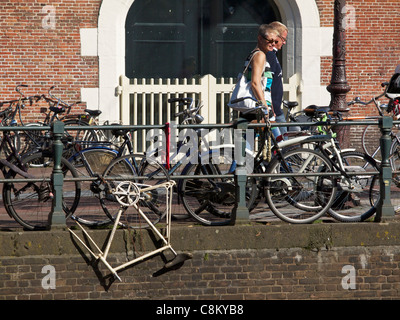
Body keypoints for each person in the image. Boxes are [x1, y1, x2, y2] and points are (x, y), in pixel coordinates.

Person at [239, 24, 279, 122]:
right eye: (270, 40)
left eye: (275, 41)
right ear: (260, 39)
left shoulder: (255, 54)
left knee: (246, 136)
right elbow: (255, 83)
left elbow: (264, 86)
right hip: (257, 110)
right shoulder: (259, 55)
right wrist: (265, 107)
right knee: (277, 136)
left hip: (254, 108)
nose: (273, 44)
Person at [267, 21, 288, 139]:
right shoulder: (269, 56)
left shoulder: (273, 56)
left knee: (282, 146)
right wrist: (271, 109)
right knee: (284, 146)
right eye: (283, 39)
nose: (284, 42)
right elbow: (266, 84)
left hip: (275, 110)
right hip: (273, 112)